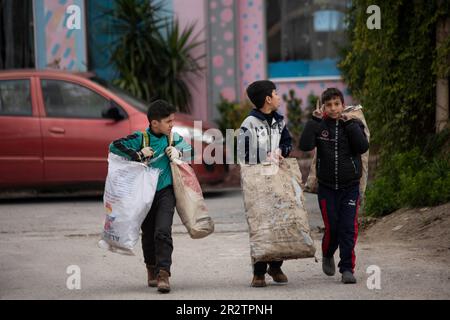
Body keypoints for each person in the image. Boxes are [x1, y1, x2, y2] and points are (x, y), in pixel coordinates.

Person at [109, 99, 192, 293]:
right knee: (148, 235)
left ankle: (164, 273)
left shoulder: (173, 138)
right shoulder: (141, 138)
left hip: (166, 192)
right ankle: (151, 268)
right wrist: (138, 153)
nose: (172, 124)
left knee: (162, 231)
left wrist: (178, 152)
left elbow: (191, 152)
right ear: (155, 123)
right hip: (144, 195)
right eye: (168, 121)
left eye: (173, 121)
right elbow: (114, 146)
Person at [299, 88, 369, 284]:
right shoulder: (319, 125)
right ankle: (328, 253)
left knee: (348, 228)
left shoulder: (353, 124)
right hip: (327, 188)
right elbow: (304, 146)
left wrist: (351, 126)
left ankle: (347, 268)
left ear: (343, 105)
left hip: (350, 187)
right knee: (333, 228)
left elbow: (362, 147)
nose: (333, 108)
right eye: (328, 105)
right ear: (323, 107)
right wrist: (313, 122)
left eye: (336, 104)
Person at [237, 80, 293, 287]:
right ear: (268, 99)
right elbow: (242, 152)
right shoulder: (249, 123)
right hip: (257, 182)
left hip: (278, 179)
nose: (279, 97)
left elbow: (287, 143)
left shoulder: (279, 121)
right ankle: (259, 271)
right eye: (276, 94)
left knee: (281, 221)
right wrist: (265, 155)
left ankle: (276, 266)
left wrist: (281, 151)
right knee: (260, 225)